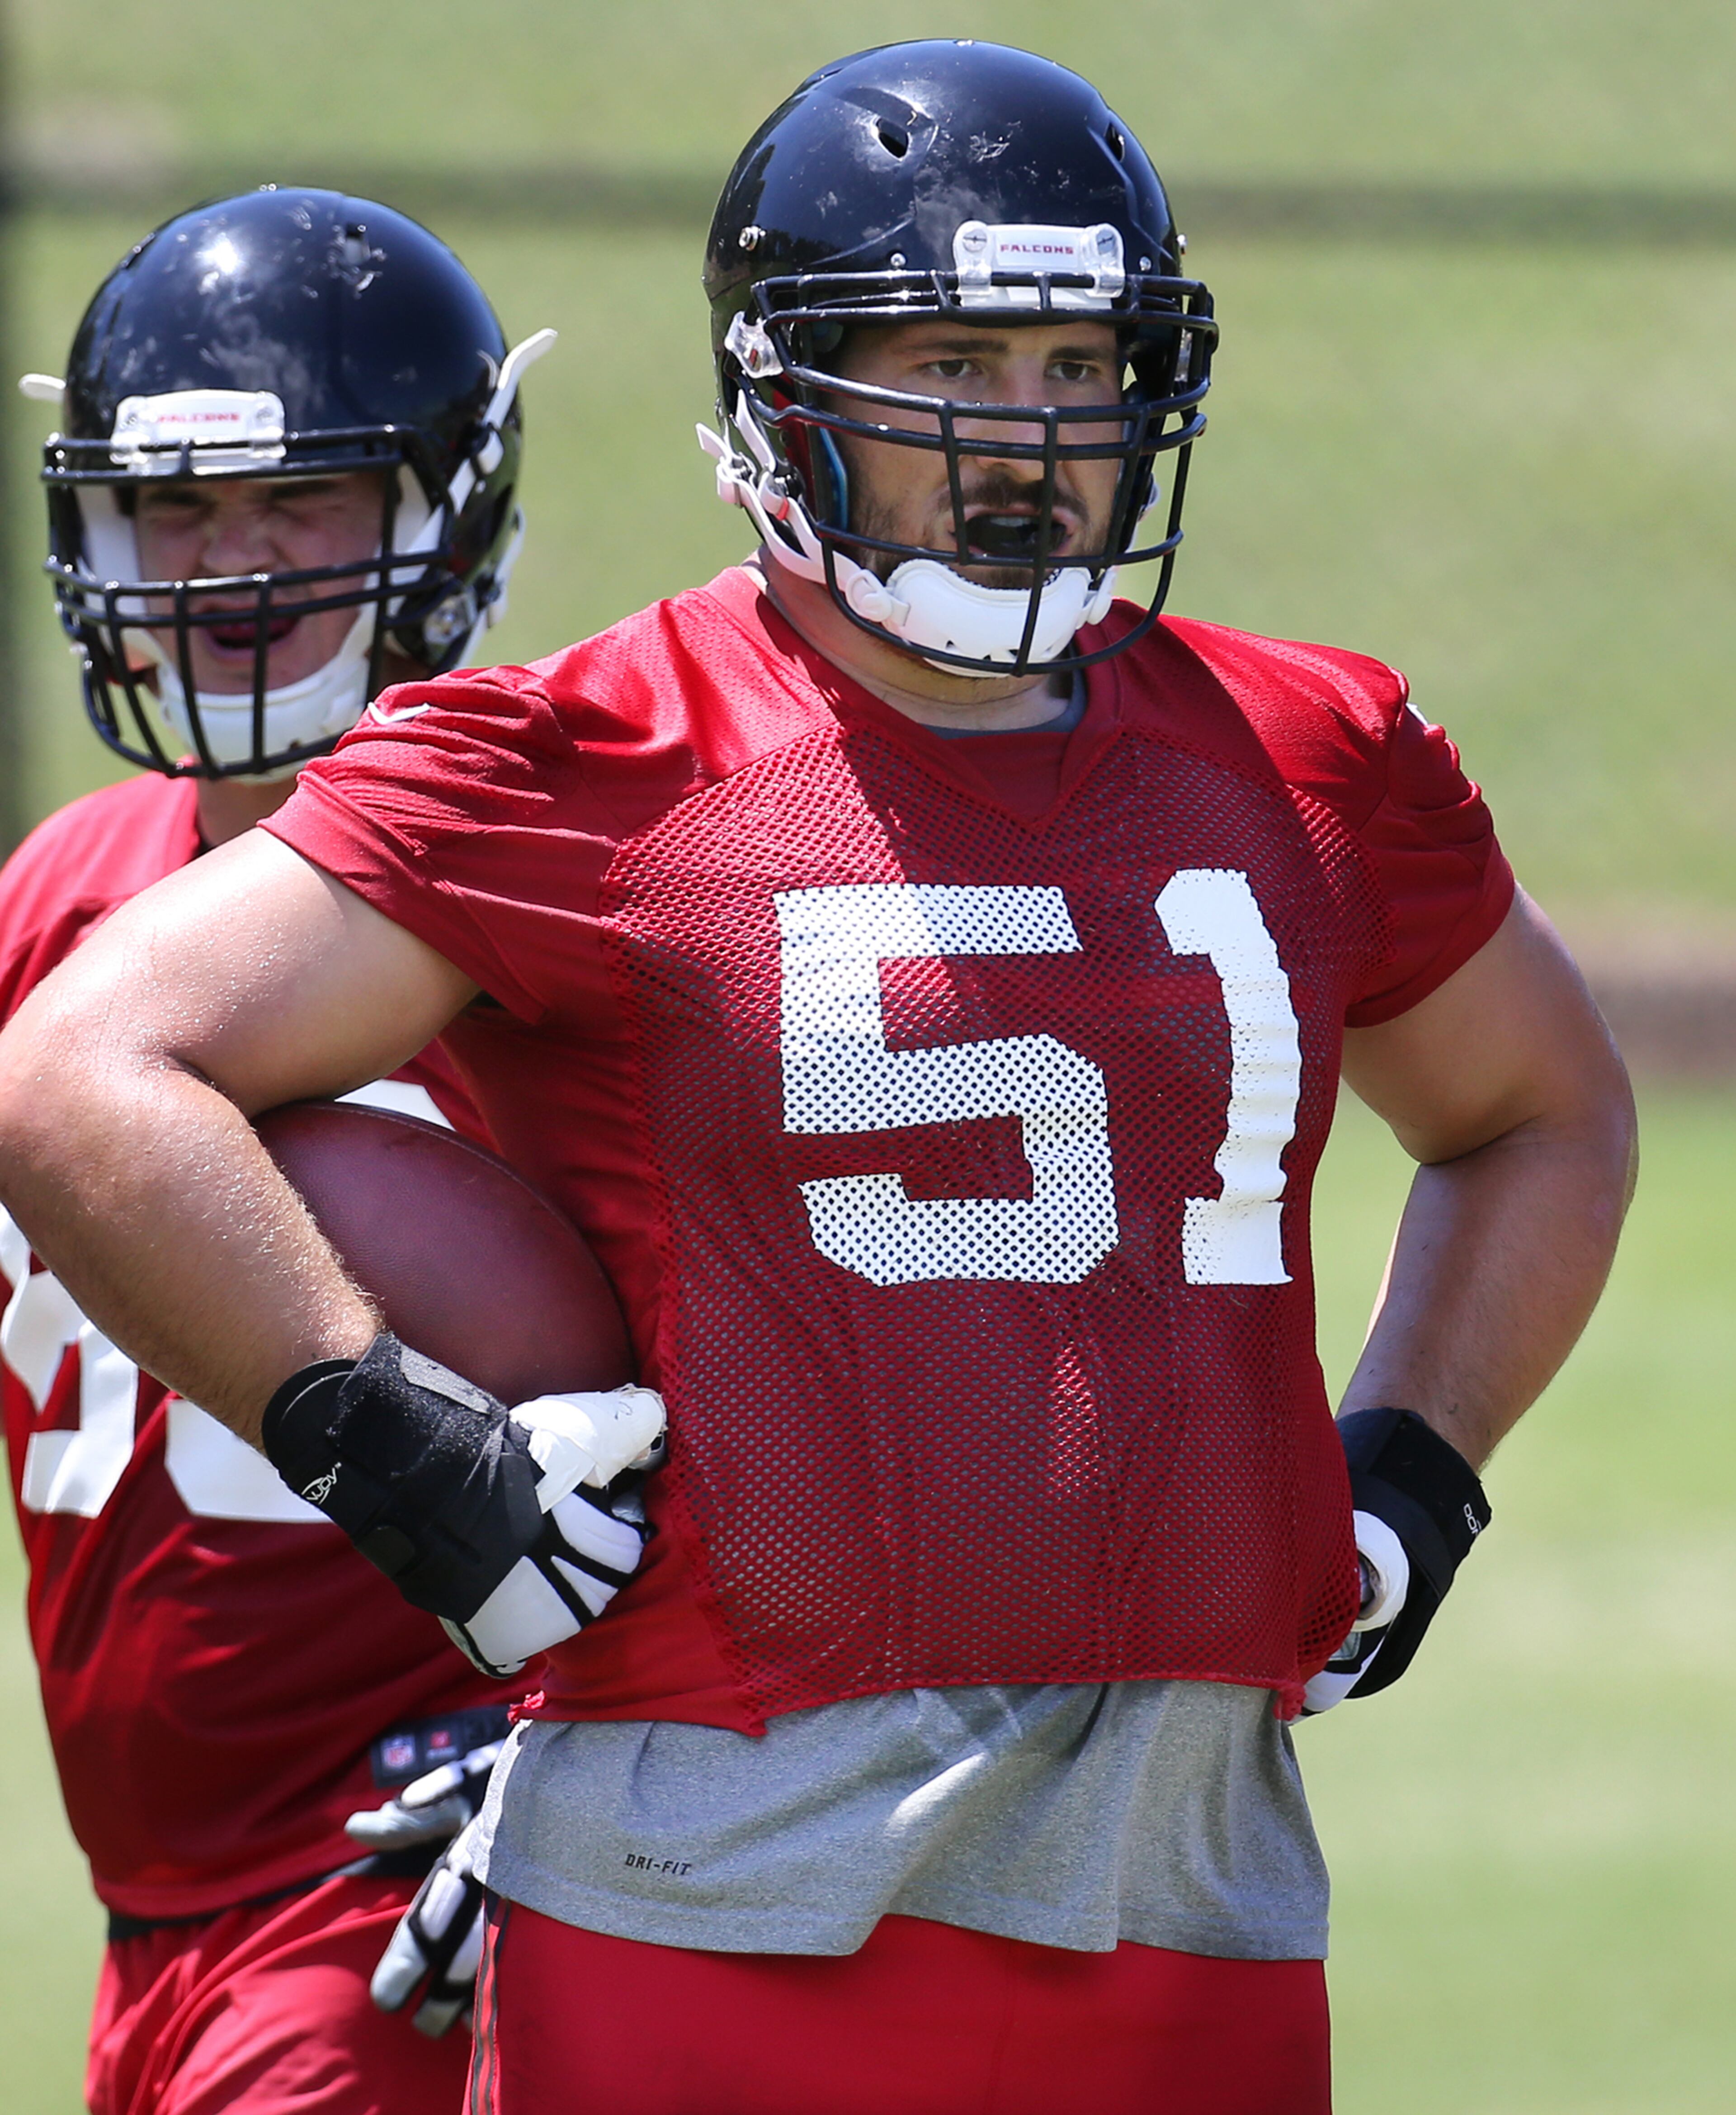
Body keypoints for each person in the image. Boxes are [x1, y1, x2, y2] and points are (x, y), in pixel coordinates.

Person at [0, 45, 1636, 2115]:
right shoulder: (586, 756)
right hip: (707, 1867)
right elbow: (90, 1066)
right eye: (954, 355)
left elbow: (1540, 1111)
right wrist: (397, 1446)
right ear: (790, 396)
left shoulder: (1315, 748)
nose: (1023, 437)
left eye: (1074, 365)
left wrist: (1416, 1460)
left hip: (1198, 1875)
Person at [0, 186, 556, 2114]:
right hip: (151, 1919)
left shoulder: (560, 896)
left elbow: (795, 1383)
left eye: (298, 503)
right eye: (179, 513)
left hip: (385, 1895)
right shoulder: (63, 897)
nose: (230, 570)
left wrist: (619, 1749)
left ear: (443, 515)